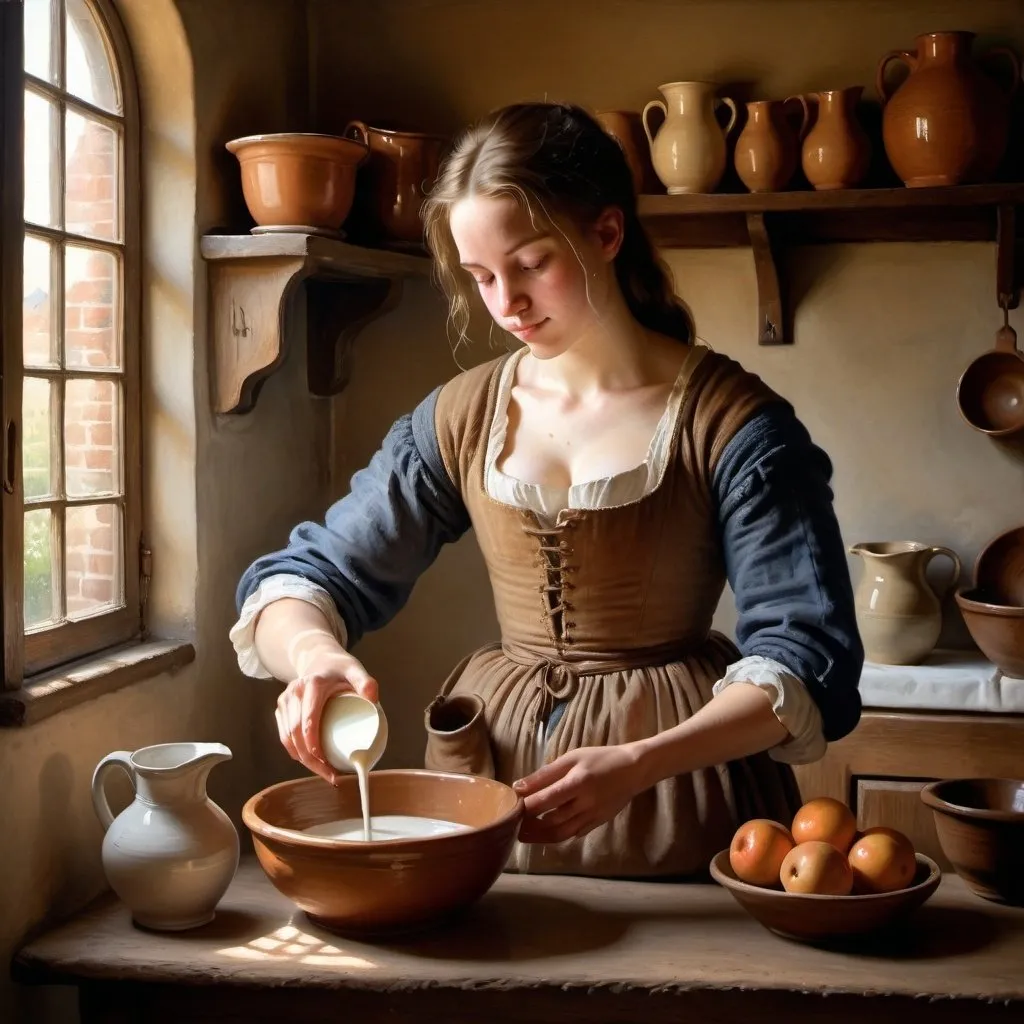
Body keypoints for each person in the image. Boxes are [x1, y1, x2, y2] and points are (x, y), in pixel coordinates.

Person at [231, 101, 863, 879]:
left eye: (530, 263)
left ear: (605, 233)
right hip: (482, 799)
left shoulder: (735, 426)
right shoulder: (460, 419)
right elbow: (308, 578)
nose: (506, 304)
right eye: (481, 276)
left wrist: (639, 762)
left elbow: (805, 656)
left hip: (679, 797)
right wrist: (312, 655)